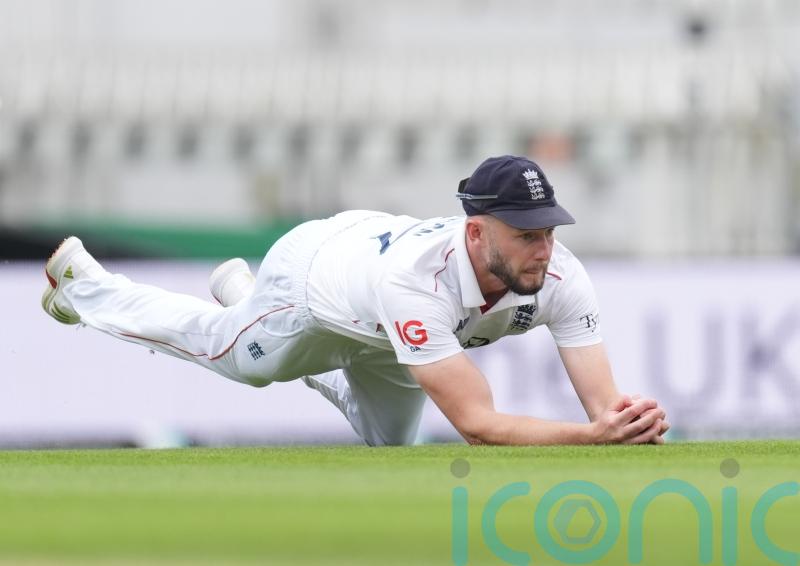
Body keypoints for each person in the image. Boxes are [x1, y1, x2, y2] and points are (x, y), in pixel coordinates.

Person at [42, 155, 669, 446]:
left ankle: (243, 297)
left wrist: (628, 425)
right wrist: (592, 439)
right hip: (314, 280)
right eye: (526, 235)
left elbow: (604, 406)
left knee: (391, 448)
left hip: (389, 321)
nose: (544, 249)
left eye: (550, 231)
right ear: (477, 232)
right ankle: (85, 285)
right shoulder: (417, 283)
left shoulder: (561, 275)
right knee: (243, 361)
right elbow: (478, 425)